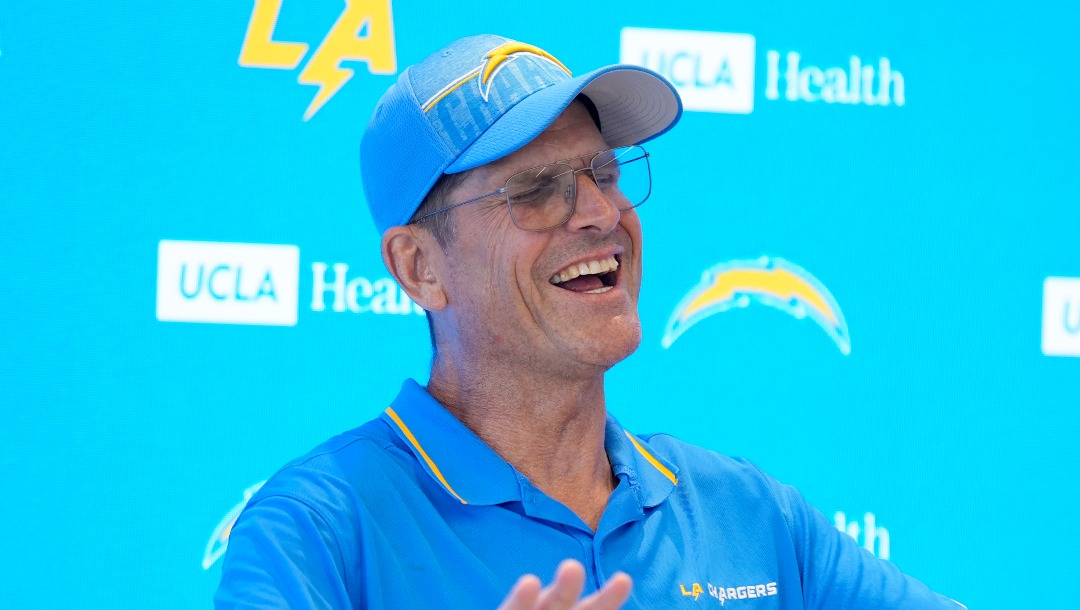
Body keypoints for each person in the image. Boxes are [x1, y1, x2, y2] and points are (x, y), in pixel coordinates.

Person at [215, 34, 964, 609]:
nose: (603, 214)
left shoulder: (749, 514)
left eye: (604, 173)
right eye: (537, 190)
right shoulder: (315, 534)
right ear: (419, 267)